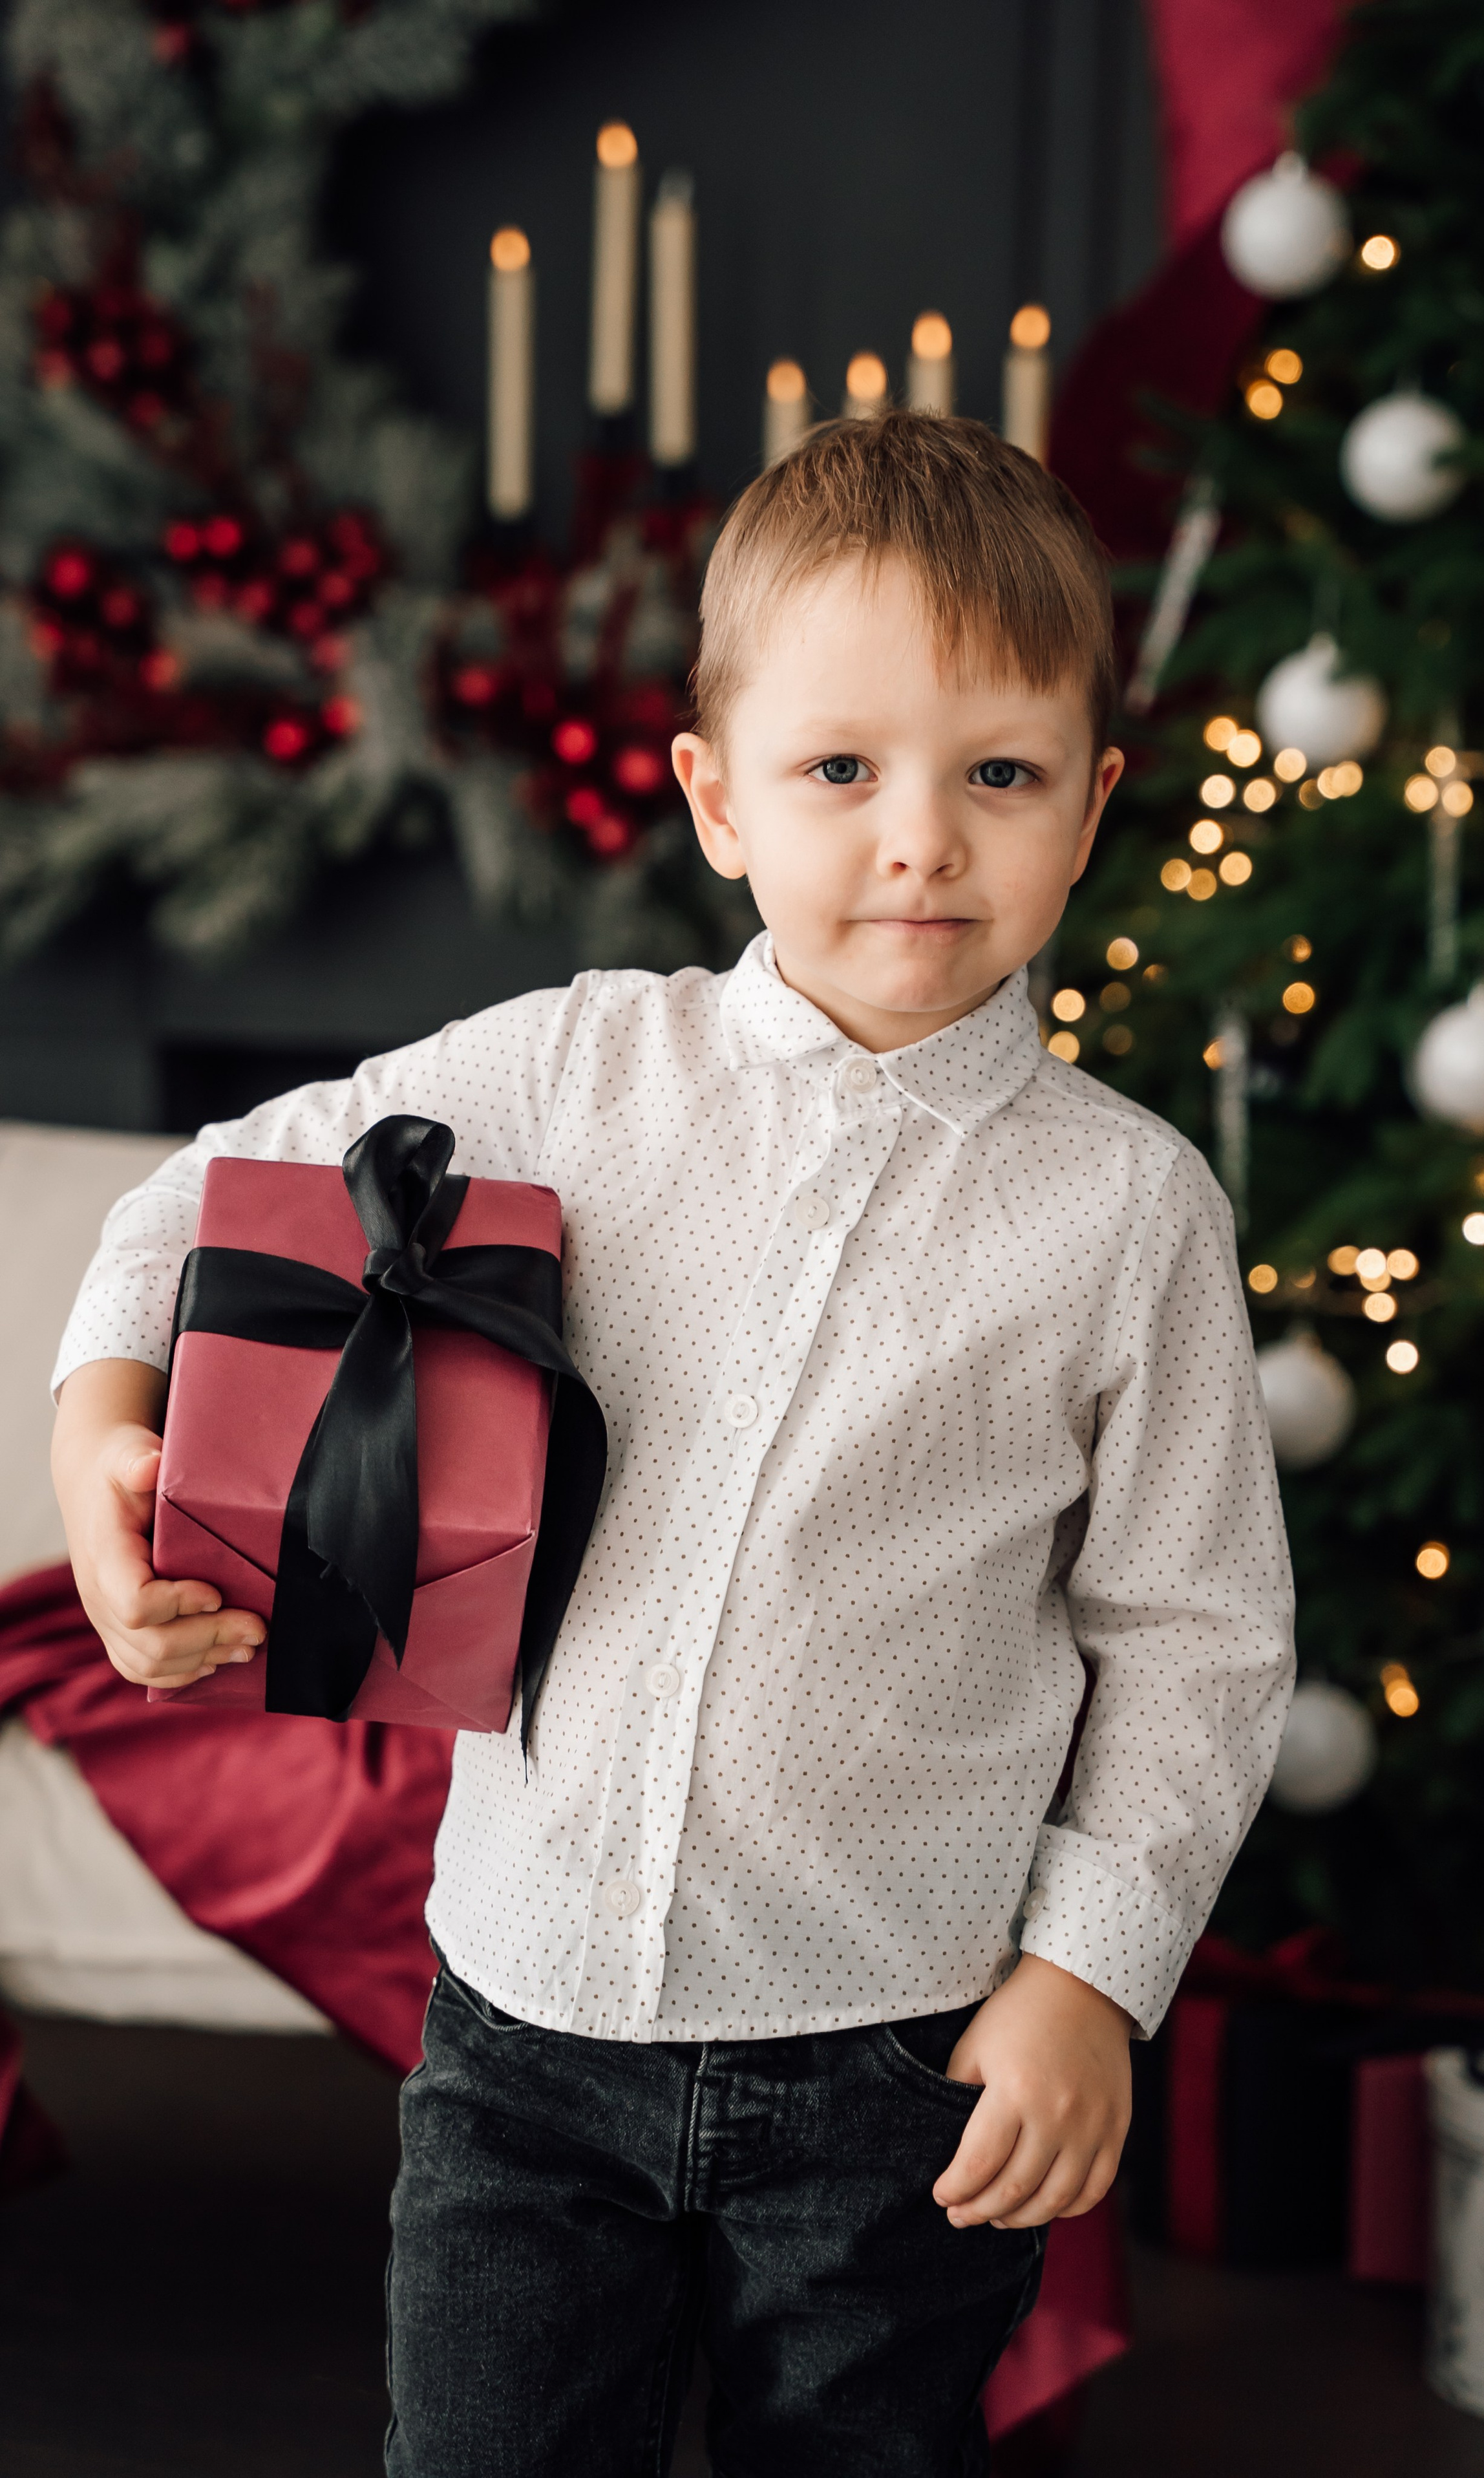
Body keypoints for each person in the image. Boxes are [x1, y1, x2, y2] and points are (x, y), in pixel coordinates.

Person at [50, 411, 1293, 2477]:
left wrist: (1092, 1972)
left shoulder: (1129, 1208)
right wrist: (109, 1424)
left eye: (999, 772)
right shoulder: (572, 1068)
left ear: (1092, 807)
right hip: (522, 2037)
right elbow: (199, 1198)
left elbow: (1197, 1636)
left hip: (895, 2056)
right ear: (716, 798)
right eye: (841, 770)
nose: (922, 839)